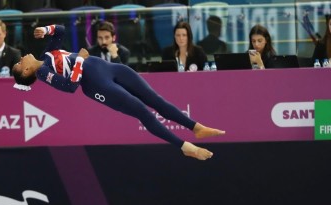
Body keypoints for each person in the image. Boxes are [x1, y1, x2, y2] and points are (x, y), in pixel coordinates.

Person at [12, 24, 225, 161]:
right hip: (95, 84)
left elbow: (61, 31)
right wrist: (78, 61)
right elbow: (71, 86)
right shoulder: (43, 73)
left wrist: (46, 30)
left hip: (106, 67)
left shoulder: (46, 54)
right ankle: (184, 146)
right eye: (20, 65)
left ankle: (195, 127)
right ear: (28, 71)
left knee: (154, 99)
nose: (21, 59)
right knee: (143, 111)